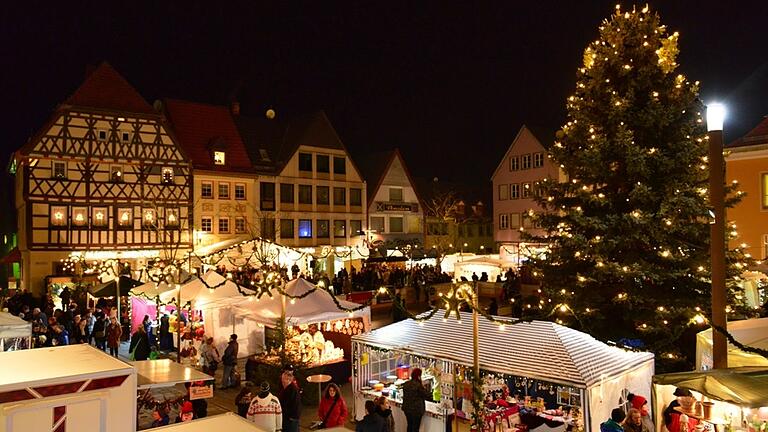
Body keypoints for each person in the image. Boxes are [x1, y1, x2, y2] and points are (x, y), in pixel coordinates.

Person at [279, 366, 302, 432]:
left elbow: (289, 405)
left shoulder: (291, 389)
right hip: (289, 419)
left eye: (283, 380)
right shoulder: (285, 388)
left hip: (291, 420)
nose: (282, 381)